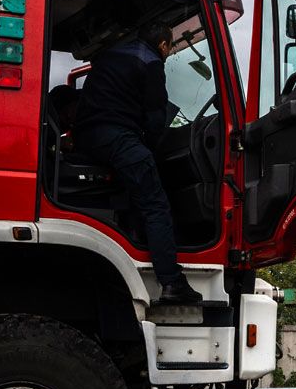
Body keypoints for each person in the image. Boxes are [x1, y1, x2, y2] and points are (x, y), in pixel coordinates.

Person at [76, 21, 202, 305]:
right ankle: (171, 282)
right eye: (170, 48)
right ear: (163, 45)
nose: (168, 54)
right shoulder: (151, 62)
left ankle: (134, 237)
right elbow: (156, 119)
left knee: (130, 187)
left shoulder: (109, 55)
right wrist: (152, 148)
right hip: (118, 137)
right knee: (156, 204)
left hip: (88, 138)